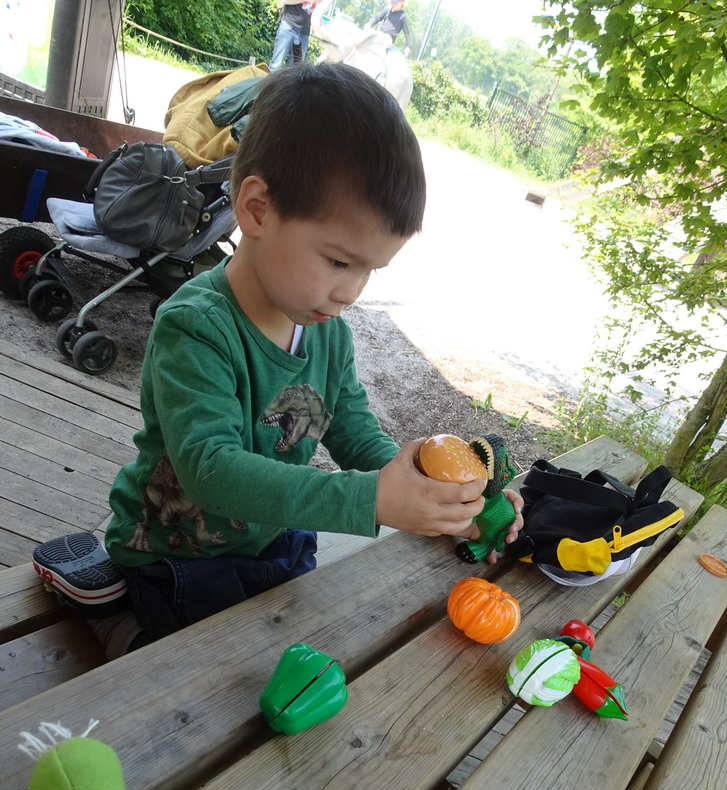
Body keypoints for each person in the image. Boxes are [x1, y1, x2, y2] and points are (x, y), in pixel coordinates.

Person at [32, 63, 523, 659]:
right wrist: (370, 501)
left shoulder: (327, 330)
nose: (352, 292)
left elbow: (353, 429)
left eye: (371, 270)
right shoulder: (197, 326)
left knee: (287, 644)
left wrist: (434, 494)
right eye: (340, 262)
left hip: (271, 539)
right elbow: (212, 472)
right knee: (184, 667)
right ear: (258, 209)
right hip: (177, 552)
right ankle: (113, 610)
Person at [269, 0, 316, 72]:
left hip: (304, 33)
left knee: (294, 71)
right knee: (276, 66)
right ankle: (269, 83)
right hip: (288, 27)